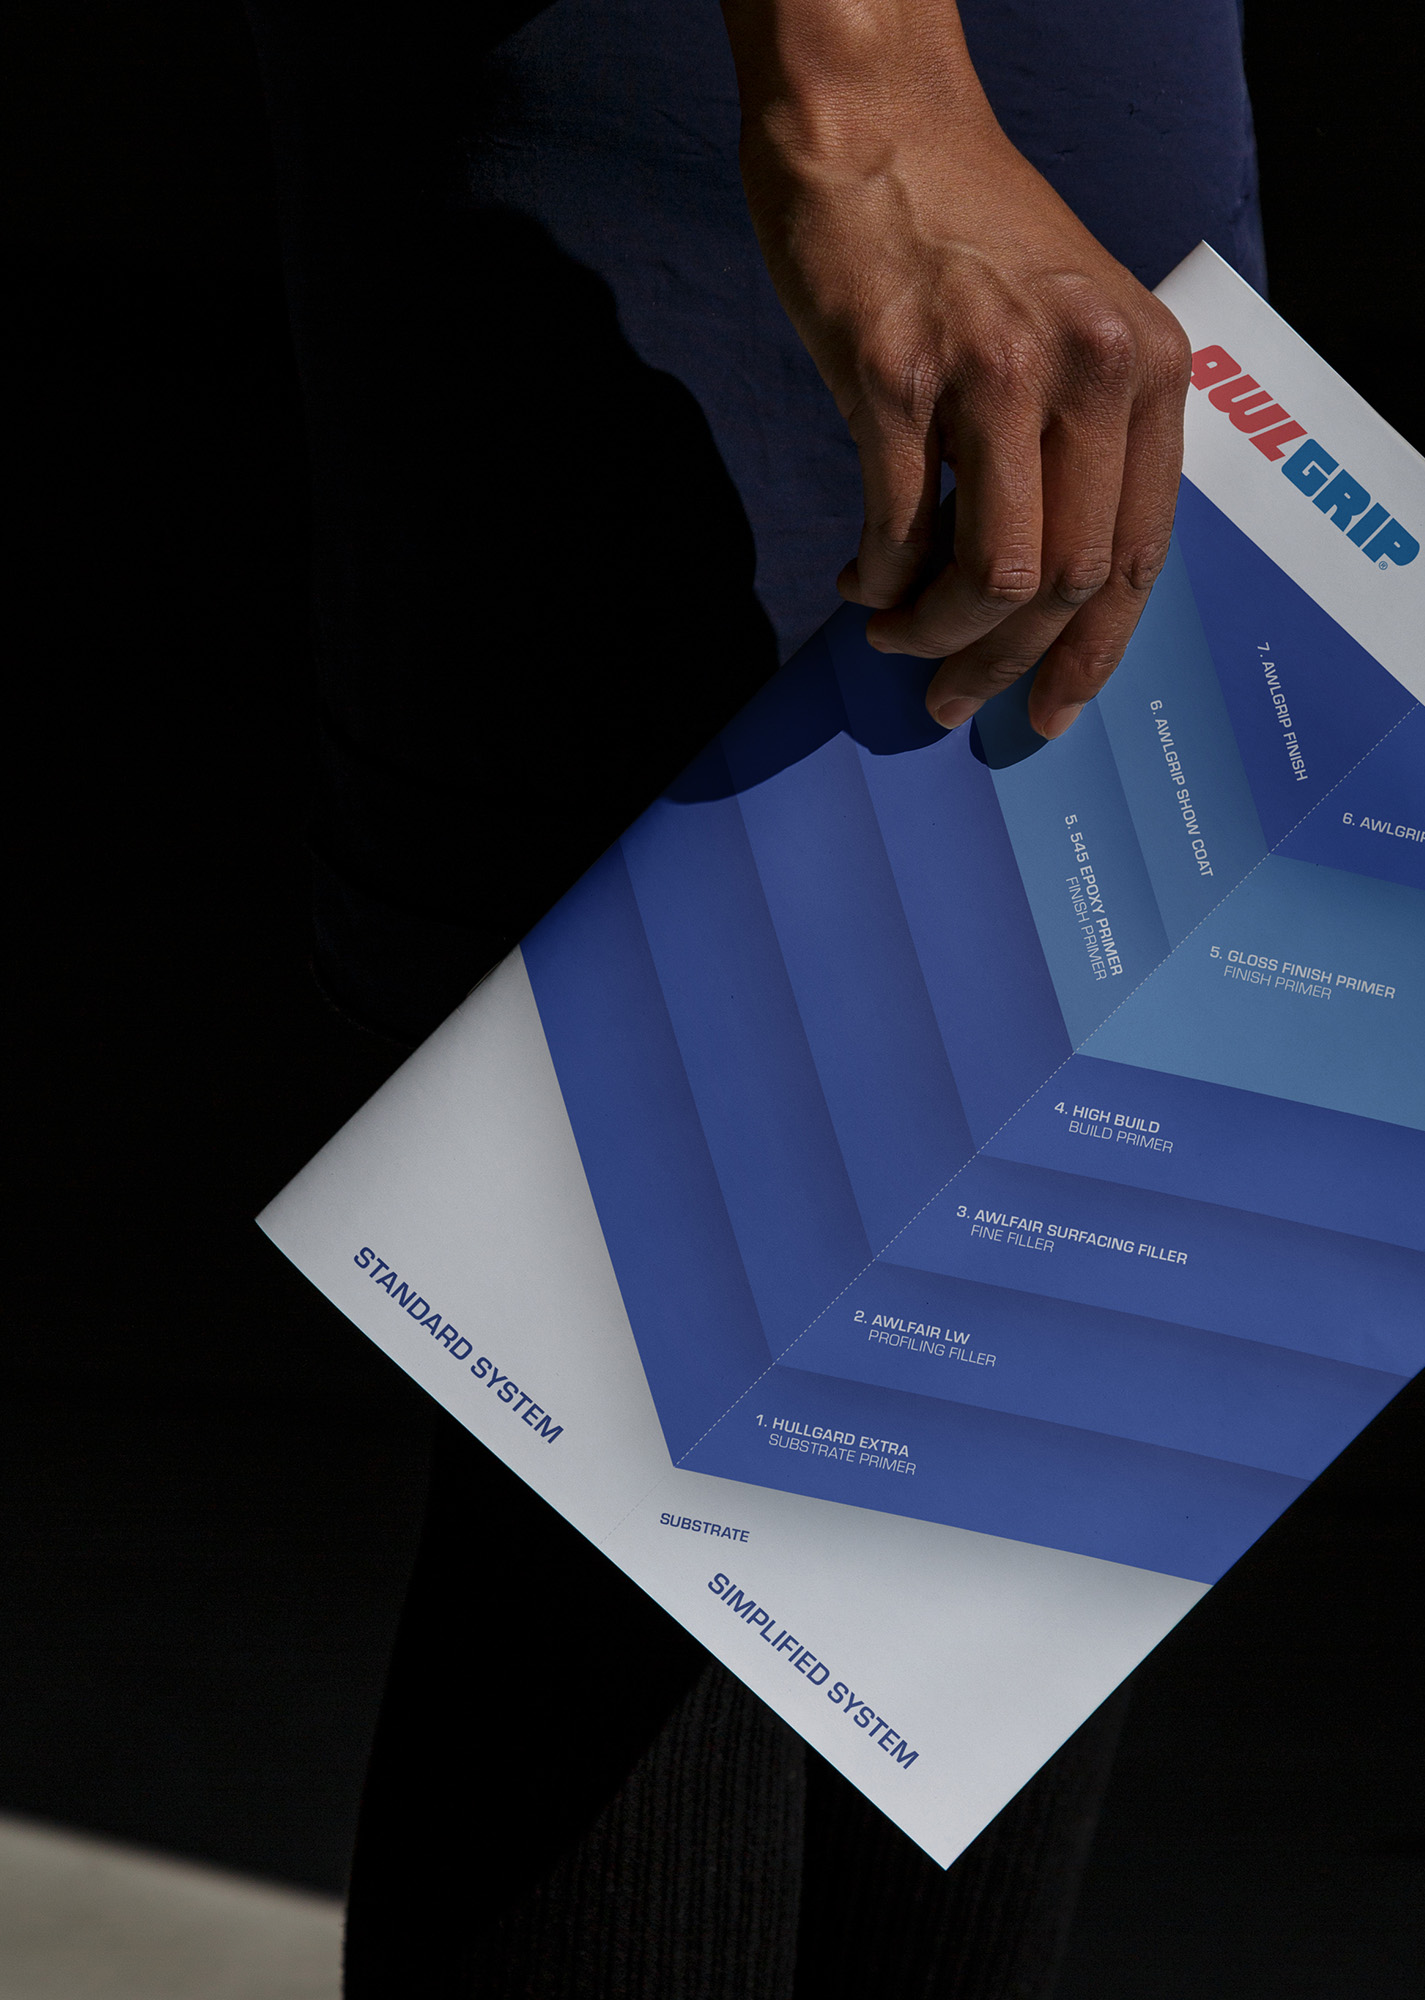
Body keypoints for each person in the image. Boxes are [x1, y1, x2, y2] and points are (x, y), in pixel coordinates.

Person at [246, 0, 1265, 1990]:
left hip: (1080, 123)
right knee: (649, 1514)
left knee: (1013, 1457)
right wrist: (859, 88)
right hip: (771, 128)